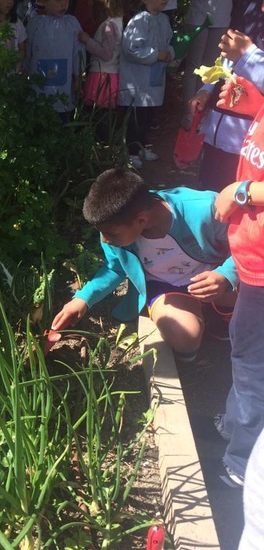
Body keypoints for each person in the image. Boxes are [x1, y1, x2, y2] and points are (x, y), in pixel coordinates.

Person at [51, 168, 238, 363]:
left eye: (111, 234)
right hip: (166, 285)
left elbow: (250, 245)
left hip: (214, 274)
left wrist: (226, 275)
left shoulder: (204, 209)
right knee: (186, 339)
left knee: (249, 287)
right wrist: (84, 298)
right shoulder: (115, 227)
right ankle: (200, 313)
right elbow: (115, 268)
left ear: (141, 220)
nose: (105, 240)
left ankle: (219, 311)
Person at [214, 75, 264, 487]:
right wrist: (256, 106)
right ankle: (234, 424)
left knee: (253, 366)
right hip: (253, 258)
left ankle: (243, 463)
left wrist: (243, 191)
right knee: (244, 345)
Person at [190, 1, 264, 192]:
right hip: (217, 134)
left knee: (236, 209)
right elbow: (228, 56)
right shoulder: (250, 8)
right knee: (210, 198)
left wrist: (248, 55)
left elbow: (243, 53)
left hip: (250, 149)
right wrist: (207, 88)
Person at [117, 0, 175, 169]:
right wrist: (156, 55)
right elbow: (130, 49)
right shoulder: (139, 20)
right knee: (137, 116)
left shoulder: (163, 20)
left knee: (148, 114)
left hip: (153, 77)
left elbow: (168, 42)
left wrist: (169, 53)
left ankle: (142, 146)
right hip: (138, 78)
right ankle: (131, 152)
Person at [25, 0, 85, 120]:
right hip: (38, 87)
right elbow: (27, 51)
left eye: (66, 1)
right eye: (58, 1)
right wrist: (23, 71)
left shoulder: (72, 23)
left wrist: (79, 76)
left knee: (62, 121)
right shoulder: (35, 23)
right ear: (43, 2)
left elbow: (78, 52)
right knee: (39, 120)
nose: (63, 4)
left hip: (64, 89)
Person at [180, 0, 233, 129]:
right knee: (194, 68)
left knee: (210, 69)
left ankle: (200, 113)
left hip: (222, 17)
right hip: (198, 17)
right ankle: (188, 115)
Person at [80, 0, 123, 110]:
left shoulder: (109, 26)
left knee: (99, 114)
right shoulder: (118, 22)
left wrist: (87, 40)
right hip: (109, 73)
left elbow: (106, 54)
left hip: (102, 76)